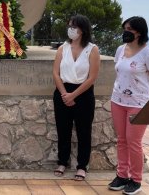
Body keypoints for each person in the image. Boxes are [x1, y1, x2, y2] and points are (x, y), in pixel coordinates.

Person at [108, 16, 149, 195]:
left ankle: (136, 180)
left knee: (134, 142)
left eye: (129, 29)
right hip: (118, 101)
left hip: (138, 104)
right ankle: (122, 176)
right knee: (121, 140)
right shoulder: (120, 50)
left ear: (139, 32)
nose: (125, 32)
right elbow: (120, 73)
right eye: (125, 28)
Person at [52, 14, 100, 181]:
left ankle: (82, 166)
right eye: (69, 26)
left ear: (83, 29)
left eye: (74, 26)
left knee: (83, 131)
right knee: (63, 130)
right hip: (62, 92)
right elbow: (55, 73)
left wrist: (73, 95)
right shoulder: (62, 48)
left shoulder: (92, 50)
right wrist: (65, 94)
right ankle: (62, 162)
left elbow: (92, 77)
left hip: (83, 94)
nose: (70, 29)